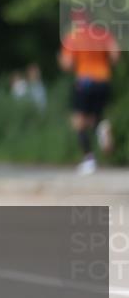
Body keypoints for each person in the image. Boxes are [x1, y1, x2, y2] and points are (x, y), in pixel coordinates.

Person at [59, 11, 119, 175]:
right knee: (96, 116)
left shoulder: (73, 37)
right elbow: (115, 55)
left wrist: (73, 65)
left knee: (79, 121)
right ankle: (102, 127)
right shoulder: (103, 34)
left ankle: (89, 159)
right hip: (103, 81)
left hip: (85, 82)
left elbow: (67, 64)